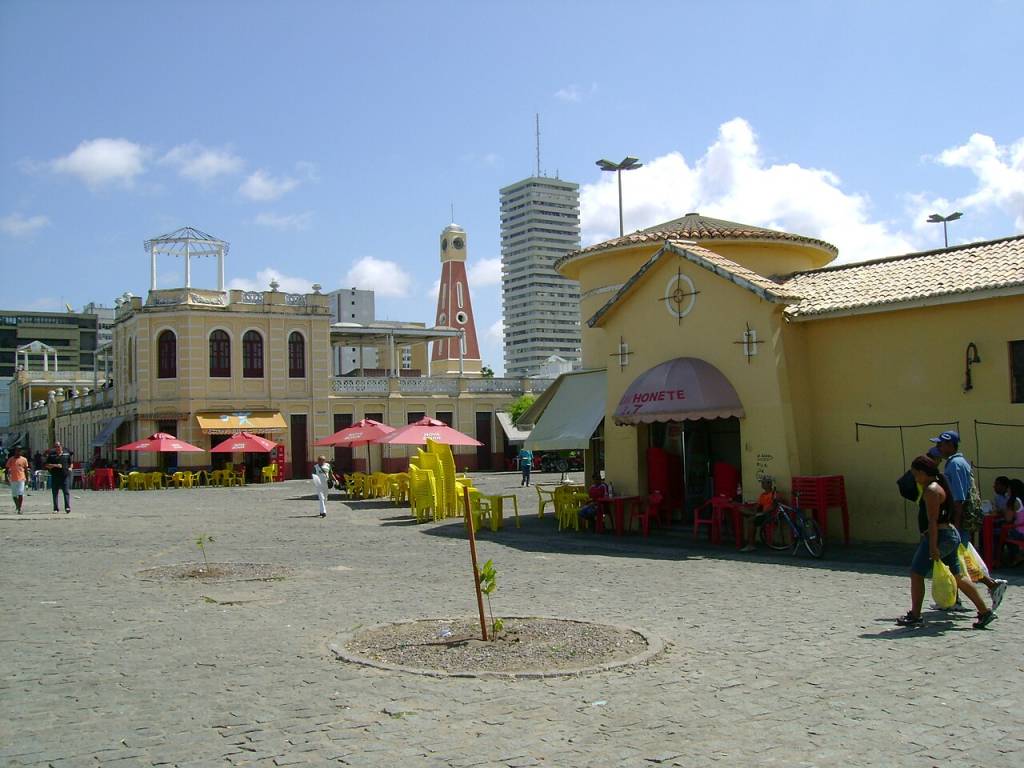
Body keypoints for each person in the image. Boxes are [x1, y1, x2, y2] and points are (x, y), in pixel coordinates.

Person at [896, 455, 996, 628]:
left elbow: (933, 521)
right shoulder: (937, 484)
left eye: (915, 475)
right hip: (949, 535)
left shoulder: (931, 490)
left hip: (941, 537)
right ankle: (984, 611)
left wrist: (933, 546)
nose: (915, 479)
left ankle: (915, 615)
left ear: (922, 473)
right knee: (958, 576)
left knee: (917, 572)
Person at [928, 431, 1007, 609]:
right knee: (960, 557)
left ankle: (989, 588)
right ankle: (959, 597)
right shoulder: (959, 462)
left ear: (951, 445)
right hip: (962, 520)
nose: (939, 447)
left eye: (941, 444)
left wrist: (954, 524)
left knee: (958, 559)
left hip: (958, 520)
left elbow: (958, 498)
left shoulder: (954, 465)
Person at [739, 476, 777, 553]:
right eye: (762, 483)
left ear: (769, 484)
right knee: (741, 509)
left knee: (751, 520)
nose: (762, 485)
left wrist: (762, 513)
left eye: (764, 483)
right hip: (760, 514)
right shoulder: (763, 495)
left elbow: (774, 506)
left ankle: (750, 545)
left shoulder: (774, 494)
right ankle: (753, 515)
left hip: (768, 515)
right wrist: (753, 510)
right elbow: (758, 505)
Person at [45, 441, 73, 514]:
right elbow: (46, 465)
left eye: (58, 446)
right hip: (55, 476)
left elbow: (70, 463)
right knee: (55, 493)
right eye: (56, 446)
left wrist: (70, 468)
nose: (57, 448)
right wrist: (55, 465)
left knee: (66, 492)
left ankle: (67, 507)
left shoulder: (66, 454)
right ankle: (56, 508)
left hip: (65, 476)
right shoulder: (52, 455)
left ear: (61, 446)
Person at [1001, 478, 1024, 566]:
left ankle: (1015, 556)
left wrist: (1003, 510)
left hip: (1020, 532)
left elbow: (1008, 519)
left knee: (1001, 533)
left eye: (1008, 488)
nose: (1007, 490)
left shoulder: (1014, 501)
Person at [5, 446, 29, 513]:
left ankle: (19, 508)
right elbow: (6, 469)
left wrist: (27, 479)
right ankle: (17, 506)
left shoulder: (24, 459)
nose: (18, 452)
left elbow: (26, 470)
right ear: (15, 451)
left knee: (20, 493)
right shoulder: (11, 459)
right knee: (14, 495)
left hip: (21, 479)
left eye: (19, 451)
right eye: (17, 450)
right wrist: (6, 478)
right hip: (13, 479)